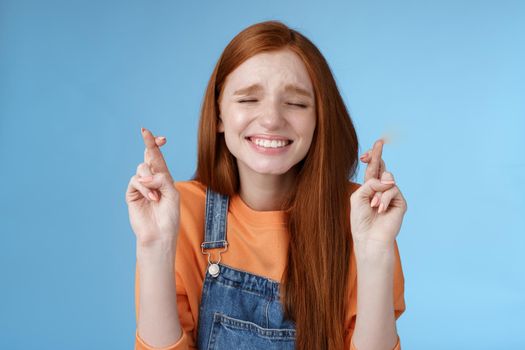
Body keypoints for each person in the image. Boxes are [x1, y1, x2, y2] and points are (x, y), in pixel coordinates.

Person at [126, 20, 407, 350]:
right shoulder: (183, 212)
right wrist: (155, 246)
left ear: (320, 119)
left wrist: (374, 253)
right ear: (218, 115)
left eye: (297, 103)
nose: (272, 118)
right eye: (248, 100)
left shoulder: (359, 218)